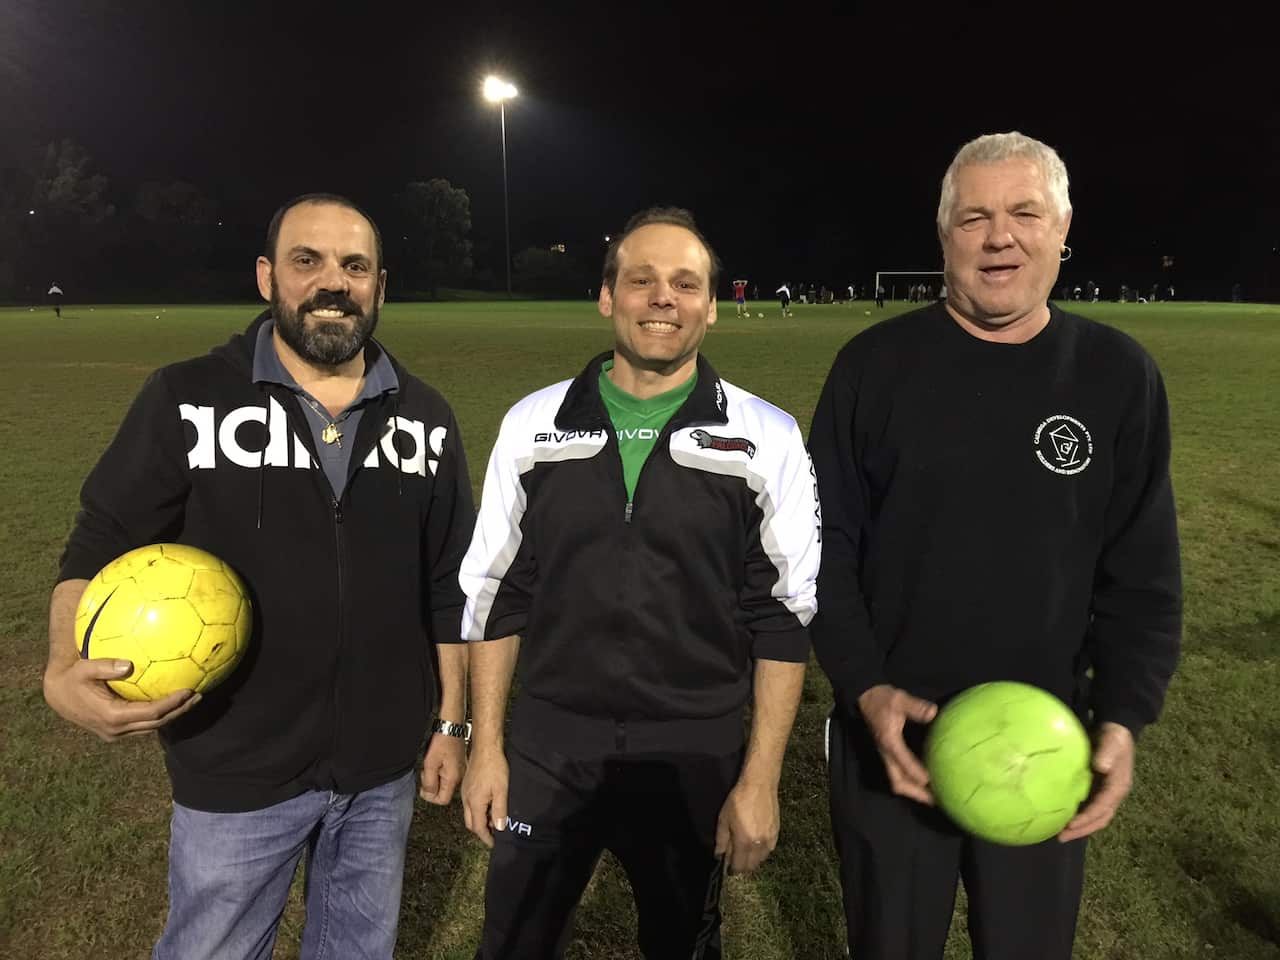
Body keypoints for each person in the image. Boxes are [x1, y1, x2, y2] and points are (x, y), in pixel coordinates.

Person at [42, 193, 476, 960]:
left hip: (381, 771)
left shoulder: (427, 418)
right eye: (307, 262)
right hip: (236, 766)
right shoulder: (188, 397)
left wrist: (450, 723)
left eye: (355, 266)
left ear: (380, 285)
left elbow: (447, 582)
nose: (333, 282)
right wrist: (58, 667)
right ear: (267, 277)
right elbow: (103, 535)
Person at [808, 131, 1181, 960]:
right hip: (892, 744)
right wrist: (866, 690)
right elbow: (820, 553)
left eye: (1024, 213)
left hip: (1045, 745)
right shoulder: (873, 367)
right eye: (973, 217)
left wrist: (1121, 716)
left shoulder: (1118, 374)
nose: (998, 236)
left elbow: (1142, 574)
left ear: (1062, 227)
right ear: (944, 237)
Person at [460, 206, 821, 960]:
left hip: (694, 750)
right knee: (514, 943)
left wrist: (760, 779)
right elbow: (496, 596)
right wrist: (485, 747)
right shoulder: (534, 425)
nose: (665, 298)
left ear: (711, 306)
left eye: (686, 283)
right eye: (642, 280)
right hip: (551, 746)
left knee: (684, 944)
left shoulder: (768, 436)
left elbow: (782, 618)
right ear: (607, 297)